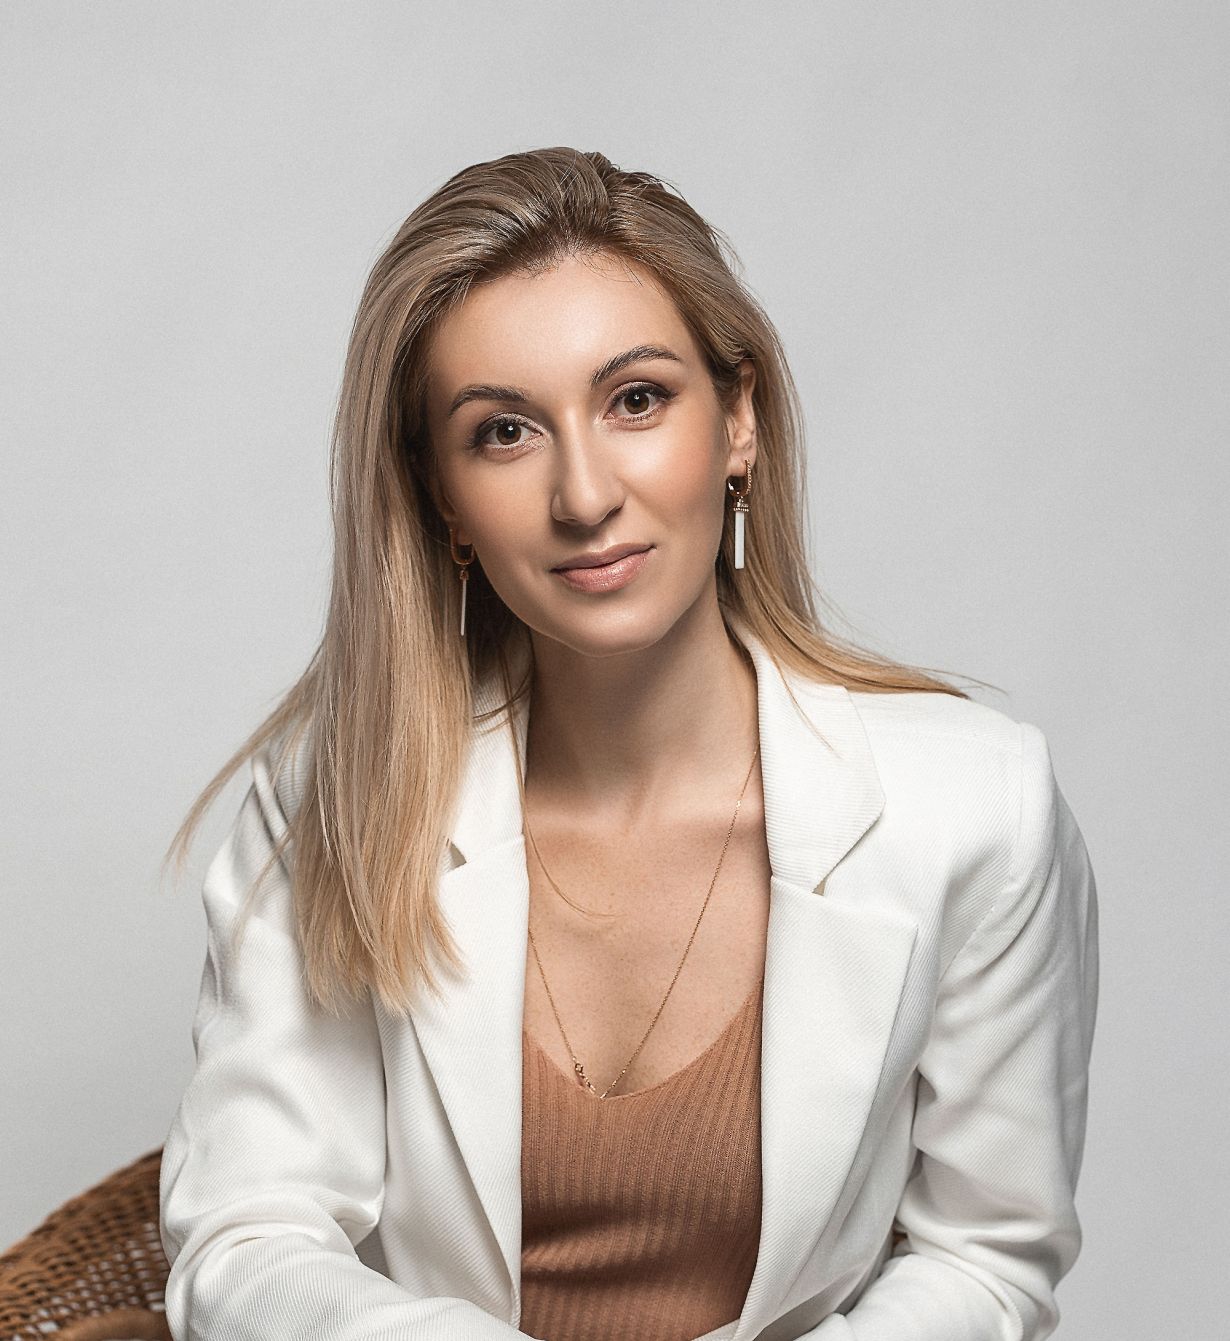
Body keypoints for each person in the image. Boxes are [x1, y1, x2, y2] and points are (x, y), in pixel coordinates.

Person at [157, 146, 1099, 1341]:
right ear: (441, 497)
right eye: (504, 431)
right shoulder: (336, 798)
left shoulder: (973, 809)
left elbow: (988, 1257)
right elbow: (247, 1242)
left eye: (636, 401)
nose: (586, 494)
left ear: (739, 421)